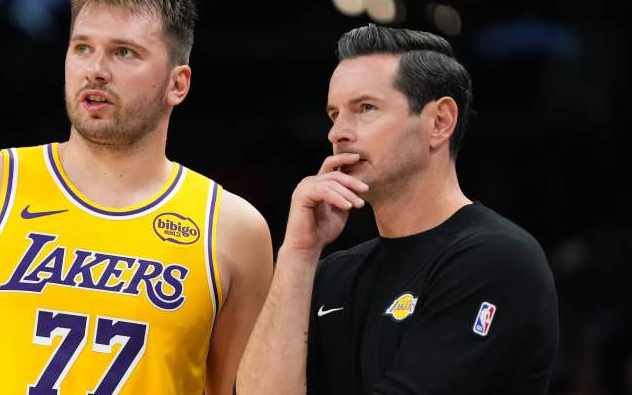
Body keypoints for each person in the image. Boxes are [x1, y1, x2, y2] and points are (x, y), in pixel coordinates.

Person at [0, 0, 272, 395]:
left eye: (124, 52)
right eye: (82, 48)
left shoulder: (234, 231)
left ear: (177, 83)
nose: (96, 69)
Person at [237, 23, 558, 395]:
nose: (337, 133)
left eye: (365, 108)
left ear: (440, 122)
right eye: (334, 114)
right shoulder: (332, 274)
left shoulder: (497, 260)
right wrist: (298, 255)